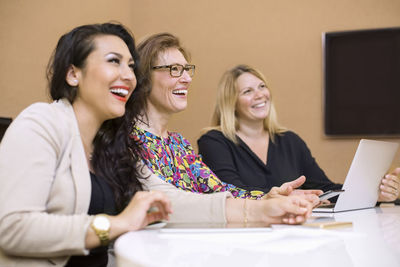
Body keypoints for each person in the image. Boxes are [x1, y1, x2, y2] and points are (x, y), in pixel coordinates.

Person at [0, 23, 172, 267]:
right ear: (73, 74)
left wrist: (244, 210)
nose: (128, 76)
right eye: (114, 61)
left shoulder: (111, 145)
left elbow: (164, 197)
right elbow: (13, 228)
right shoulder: (40, 123)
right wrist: (116, 224)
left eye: (131, 66)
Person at [130, 32, 315, 227]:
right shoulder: (126, 140)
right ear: (143, 78)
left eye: (187, 70)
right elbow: (168, 202)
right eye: (175, 69)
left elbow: (217, 189)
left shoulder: (178, 143)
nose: (187, 79)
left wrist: (267, 197)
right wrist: (260, 207)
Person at [197, 64, 400, 202]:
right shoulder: (214, 142)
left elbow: (324, 189)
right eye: (247, 91)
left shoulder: (290, 141)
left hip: (292, 233)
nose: (260, 95)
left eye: (262, 87)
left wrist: (374, 194)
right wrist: (286, 198)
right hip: (245, 238)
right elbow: (232, 194)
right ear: (230, 103)